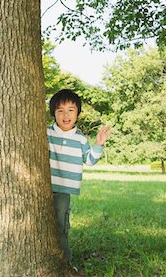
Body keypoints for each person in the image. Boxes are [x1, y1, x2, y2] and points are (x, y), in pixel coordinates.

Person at [48, 89, 111, 262]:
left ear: (78, 113)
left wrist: (98, 144)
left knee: (60, 226)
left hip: (62, 190)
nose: (65, 115)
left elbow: (90, 160)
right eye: (60, 110)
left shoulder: (80, 139)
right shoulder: (45, 133)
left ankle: (65, 261)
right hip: (41, 187)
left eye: (71, 110)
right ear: (53, 113)